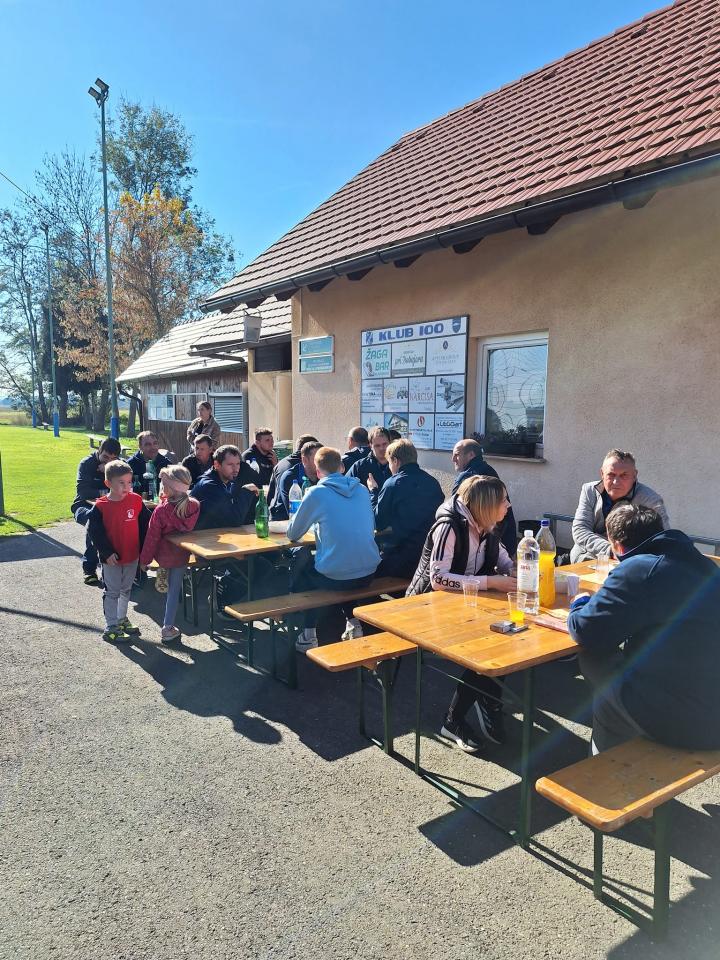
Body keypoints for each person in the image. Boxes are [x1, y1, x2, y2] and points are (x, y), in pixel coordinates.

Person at [552, 505, 720, 754]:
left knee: (594, 655)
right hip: (709, 709)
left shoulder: (640, 569)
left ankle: (606, 768)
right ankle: (608, 755)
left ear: (617, 546)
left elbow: (586, 630)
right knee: (610, 702)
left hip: (687, 720)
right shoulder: (702, 564)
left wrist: (580, 602)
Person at [407, 475, 517, 752]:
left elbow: (505, 561)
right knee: (488, 650)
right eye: (503, 500)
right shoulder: (449, 526)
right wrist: (491, 582)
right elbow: (438, 579)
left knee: (506, 640)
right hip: (427, 608)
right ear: (486, 505)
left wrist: (517, 571)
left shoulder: (488, 524)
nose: (508, 505)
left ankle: (487, 701)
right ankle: (457, 717)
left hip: (467, 605)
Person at [287, 446, 380, 651]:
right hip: (369, 572)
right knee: (342, 562)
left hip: (339, 576)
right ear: (342, 467)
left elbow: (293, 533)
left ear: (318, 471)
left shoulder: (316, 492)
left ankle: (309, 634)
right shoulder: (362, 489)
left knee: (305, 568)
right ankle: (354, 624)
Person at [87, 460, 151, 644]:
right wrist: (106, 553)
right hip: (111, 560)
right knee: (112, 592)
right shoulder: (100, 507)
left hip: (132, 556)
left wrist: (145, 551)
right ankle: (111, 627)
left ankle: (121, 619)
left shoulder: (136, 500)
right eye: (121, 483)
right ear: (108, 483)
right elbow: (94, 532)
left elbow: (146, 525)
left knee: (126, 590)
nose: (126, 487)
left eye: (129, 482)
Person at [571, 449, 669, 562]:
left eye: (624, 475)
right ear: (602, 474)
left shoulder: (650, 500)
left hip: (629, 560)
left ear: (634, 476)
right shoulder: (589, 490)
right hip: (586, 556)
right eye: (611, 475)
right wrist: (610, 551)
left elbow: (662, 538)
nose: (616, 482)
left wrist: (623, 554)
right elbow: (580, 529)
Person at [139, 465, 200, 644]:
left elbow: (152, 537)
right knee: (174, 591)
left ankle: (162, 574)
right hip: (181, 556)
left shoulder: (161, 511)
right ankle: (168, 627)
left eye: (164, 484)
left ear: (172, 487)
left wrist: (145, 560)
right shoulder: (194, 506)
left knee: (168, 590)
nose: (162, 487)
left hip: (163, 555)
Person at [371, 439, 444, 580]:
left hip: (400, 558)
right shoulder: (432, 482)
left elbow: (378, 522)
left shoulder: (392, 484)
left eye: (389, 463)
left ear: (395, 461)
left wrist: (373, 492)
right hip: (428, 557)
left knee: (366, 573)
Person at [451, 438, 517, 554]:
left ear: (471, 455)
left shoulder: (468, 477)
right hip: (503, 540)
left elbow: (455, 512)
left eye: (457, 454)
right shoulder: (489, 470)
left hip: (486, 546)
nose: (453, 459)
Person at [71, 437, 122, 586]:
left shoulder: (119, 466)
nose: (109, 462)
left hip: (110, 507)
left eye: (113, 459)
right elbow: (83, 492)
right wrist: (107, 490)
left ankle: (126, 567)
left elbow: (126, 488)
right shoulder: (87, 463)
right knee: (94, 520)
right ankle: (89, 568)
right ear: (99, 451)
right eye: (105, 457)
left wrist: (108, 471)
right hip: (83, 505)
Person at [193, 444, 259, 529]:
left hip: (213, 533)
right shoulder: (209, 486)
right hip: (198, 535)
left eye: (238, 464)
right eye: (230, 464)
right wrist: (246, 491)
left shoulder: (225, 480)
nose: (235, 469)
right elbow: (234, 519)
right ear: (217, 464)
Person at [271, 440, 322, 520]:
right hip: (285, 522)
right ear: (305, 460)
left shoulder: (326, 475)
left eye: (323, 459)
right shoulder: (290, 477)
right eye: (317, 459)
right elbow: (294, 513)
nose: (322, 462)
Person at [267, 434, 319, 508]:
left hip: (275, 509)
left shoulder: (281, 462)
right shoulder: (299, 468)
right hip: (287, 511)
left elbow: (270, 494)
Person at [346, 425, 392, 491]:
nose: (381, 448)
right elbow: (345, 488)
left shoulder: (399, 464)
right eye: (377, 446)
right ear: (370, 446)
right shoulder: (360, 466)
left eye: (384, 444)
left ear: (390, 443)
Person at [127, 432, 171, 498]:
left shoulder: (166, 464)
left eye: (155, 443)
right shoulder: (130, 465)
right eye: (148, 444)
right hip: (137, 501)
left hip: (161, 501)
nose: (152, 447)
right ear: (140, 446)